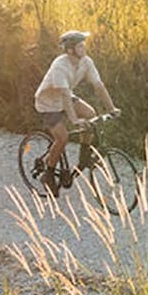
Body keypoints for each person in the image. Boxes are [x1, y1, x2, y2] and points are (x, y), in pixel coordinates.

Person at [33, 30, 120, 193]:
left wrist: (111, 109)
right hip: (48, 103)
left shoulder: (86, 61)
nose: (84, 48)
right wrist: (74, 120)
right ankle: (48, 174)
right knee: (62, 138)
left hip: (66, 96)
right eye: (80, 46)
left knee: (90, 114)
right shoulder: (60, 66)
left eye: (83, 45)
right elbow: (65, 94)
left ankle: (84, 155)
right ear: (70, 50)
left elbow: (99, 86)